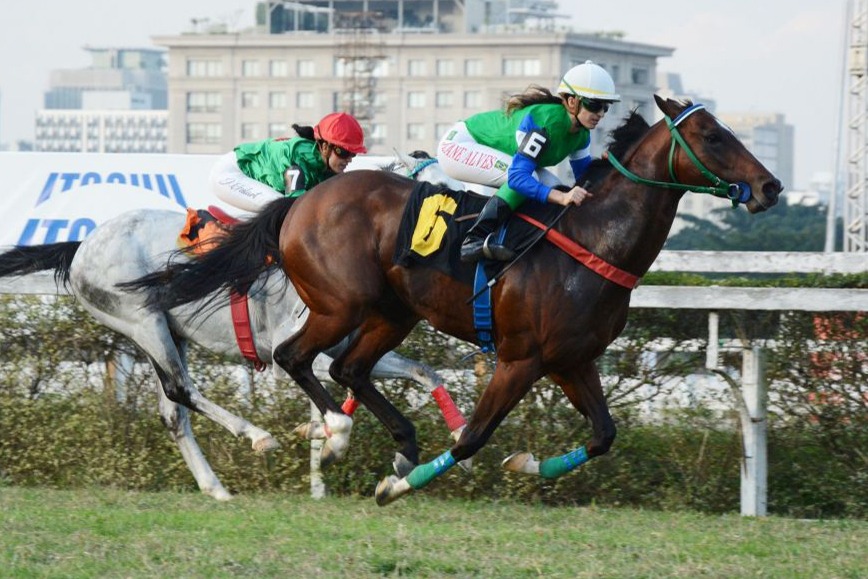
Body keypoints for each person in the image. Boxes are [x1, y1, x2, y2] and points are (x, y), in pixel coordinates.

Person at [435, 60, 620, 262]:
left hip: (487, 150)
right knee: (534, 182)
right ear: (571, 102)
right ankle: (473, 239)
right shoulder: (545, 123)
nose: (600, 114)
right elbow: (517, 179)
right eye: (594, 105)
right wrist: (561, 197)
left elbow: (584, 178)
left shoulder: (582, 134)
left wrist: (609, 168)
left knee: (556, 186)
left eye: (605, 107)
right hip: (459, 145)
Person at [210, 112, 367, 212]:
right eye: (344, 152)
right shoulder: (297, 158)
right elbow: (295, 205)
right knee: (284, 209)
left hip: (247, 174)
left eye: (353, 153)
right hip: (231, 174)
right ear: (325, 147)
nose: (348, 159)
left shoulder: (327, 165)